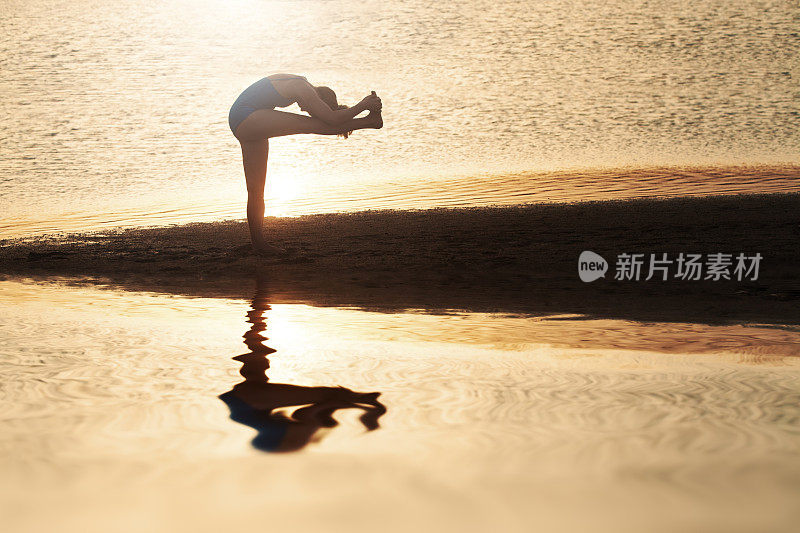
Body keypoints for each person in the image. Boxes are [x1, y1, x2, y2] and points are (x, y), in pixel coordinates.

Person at [228, 74, 383, 255]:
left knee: (256, 190)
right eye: (309, 108)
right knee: (316, 125)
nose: (303, 109)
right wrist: (363, 105)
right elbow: (332, 119)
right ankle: (370, 122)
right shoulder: (303, 88)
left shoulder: (300, 82)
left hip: (244, 121)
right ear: (319, 99)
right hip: (248, 115)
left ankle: (258, 244)